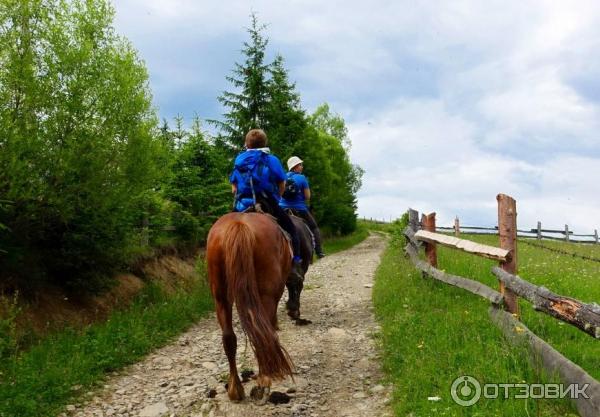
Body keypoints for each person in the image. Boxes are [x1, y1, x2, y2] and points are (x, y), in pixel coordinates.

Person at [229, 129, 304, 280]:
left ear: (247, 143)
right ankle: (295, 264)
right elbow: (281, 183)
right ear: (265, 143)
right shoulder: (271, 159)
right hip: (266, 203)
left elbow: (234, 188)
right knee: (292, 229)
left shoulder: (239, 160)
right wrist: (277, 197)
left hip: (241, 205)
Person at [279, 156, 325, 258]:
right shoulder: (302, 178)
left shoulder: (283, 177)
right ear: (295, 167)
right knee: (314, 227)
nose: (302, 167)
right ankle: (319, 251)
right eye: (300, 165)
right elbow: (308, 196)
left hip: (282, 209)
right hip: (299, 209)